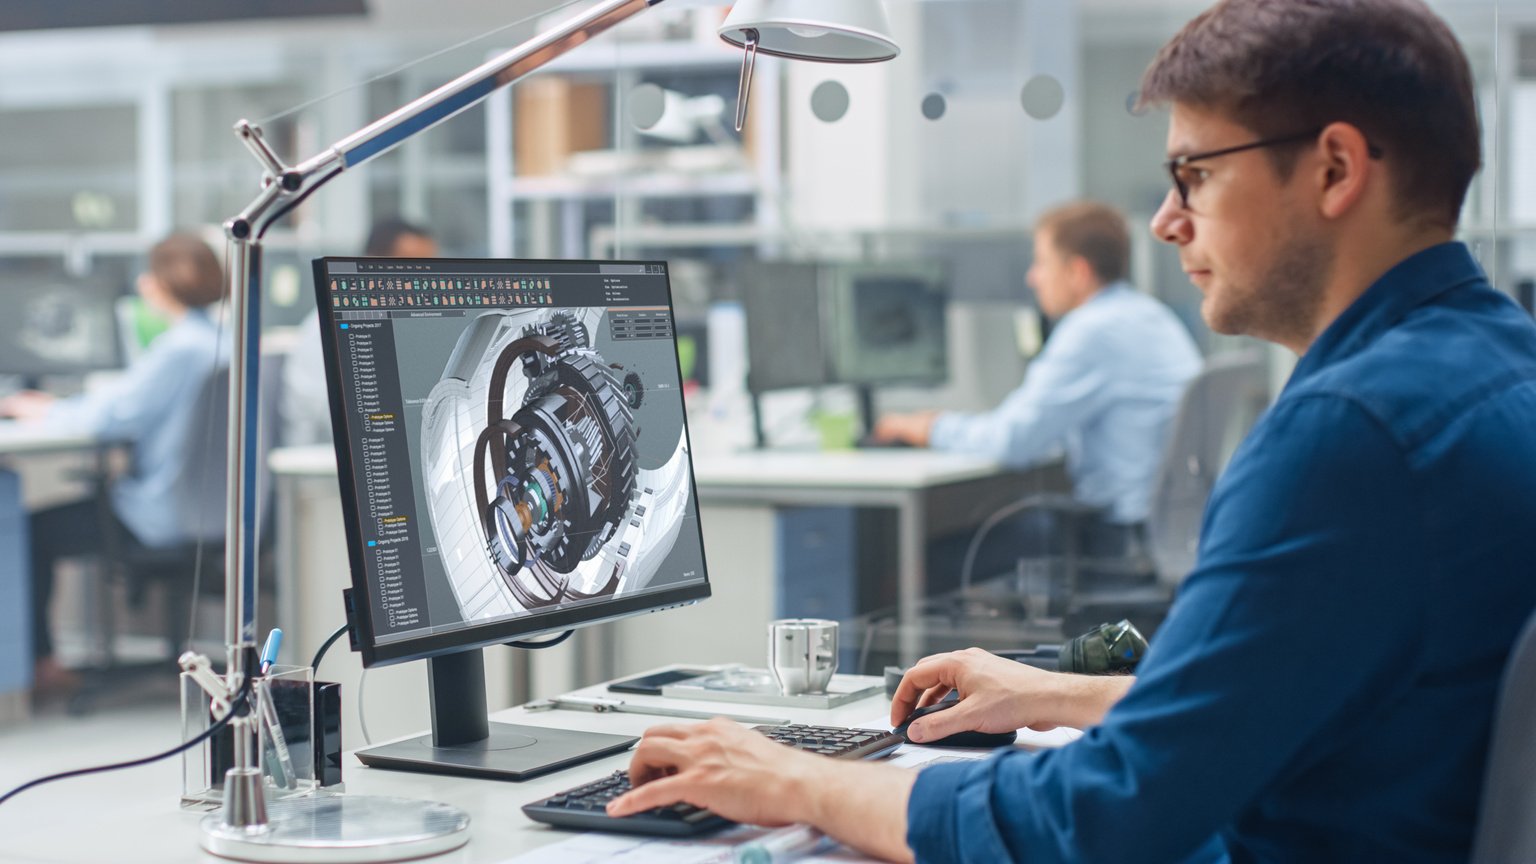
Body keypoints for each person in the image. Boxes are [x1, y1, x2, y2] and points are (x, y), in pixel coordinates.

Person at [603, 1, 1536, 862]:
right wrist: (1058, 693)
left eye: (1194, 175)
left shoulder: (1350, 436)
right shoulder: (1495, 365)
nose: (1168, 221)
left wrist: (795, 778)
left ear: (1335, 168)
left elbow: (1101, 817)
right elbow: (1295, 697)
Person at [872, 202, 1200, 536]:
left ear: (1078, 273)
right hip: (1169, 526)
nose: (1032, 277)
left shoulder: (1090, 330)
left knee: (944, 549)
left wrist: (929, 427)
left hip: (1120, 534)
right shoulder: (1151, 315)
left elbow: (1013, 441)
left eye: (1042, 263)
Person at [0, 233, 229, 698]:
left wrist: (42, 409)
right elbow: (129, 403)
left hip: (159, 514)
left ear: (162, 284)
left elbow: (114, 418)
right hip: (217, 512)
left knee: (30, 532)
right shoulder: (222, 342)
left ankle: (41, 666)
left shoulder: (179, 349)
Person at [281, 217, 438, 446]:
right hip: (327, 464)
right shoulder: (325, 329)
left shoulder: (410, 328)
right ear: (371, 264)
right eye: (414, 268)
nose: (424, 283)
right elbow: (340, 421)